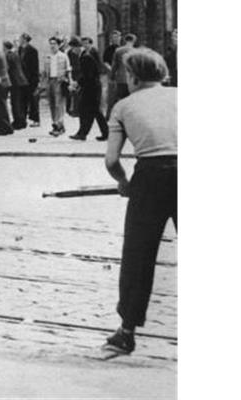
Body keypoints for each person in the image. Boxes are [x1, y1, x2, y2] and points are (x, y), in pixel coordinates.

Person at [100, 49, 176, 357]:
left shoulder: (123, 106)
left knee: (138, 254)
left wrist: (124, 183)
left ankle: (127, 331)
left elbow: (112, 160)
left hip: (149, 178)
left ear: (132, 77)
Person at [71, 37, 109, 141]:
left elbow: (88, 75)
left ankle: (85, 133)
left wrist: (77, 83)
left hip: (91, 88)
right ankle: (84, 133)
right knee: (91, 111)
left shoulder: (86, 57)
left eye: (73, 48)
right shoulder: (84, 55)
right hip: (91, 87)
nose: (73, 51)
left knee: (90, 110)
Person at [44, 36, 72, 136]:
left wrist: (70, 82)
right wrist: (43, 84)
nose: (52, 46)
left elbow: (68, 70)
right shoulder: (48, 56)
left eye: (54, 44)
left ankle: (58, 125)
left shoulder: (63, 56)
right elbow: (45, 72)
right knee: (52, 104)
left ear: (58, 45)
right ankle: (57, 124)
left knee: (59, 104)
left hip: (60, 81)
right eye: (51, 44)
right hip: (50, 81)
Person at [108, 33, 137, 116]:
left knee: (121, 98)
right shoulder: (135, 51)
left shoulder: (118, 51)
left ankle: (121, 115)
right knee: (131, 99)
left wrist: (112, 77)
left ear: (125, 40)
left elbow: (114, 66)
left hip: (121, 79)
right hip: (132, 80)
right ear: (133, 41)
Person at [4, 39, 28, 130]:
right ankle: (22, 121)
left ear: (5, 47)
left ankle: (18, 122)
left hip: (14, 81)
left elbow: (7, 68)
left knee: (15, 102)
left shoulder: (8, 56)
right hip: (21, 80)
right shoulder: (16, 54)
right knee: (20, 102)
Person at [19, 33, 41, 127]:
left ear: (25, 39)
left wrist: (35, 81)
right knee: (22, 100)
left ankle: (36, 120)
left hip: (31, 79)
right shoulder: (20, 49)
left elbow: (35, 67)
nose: (19, 40)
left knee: (33, 101)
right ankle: (23, 119)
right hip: (22, 79)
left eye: (21, 38)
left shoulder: (33, 50)